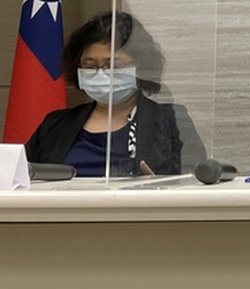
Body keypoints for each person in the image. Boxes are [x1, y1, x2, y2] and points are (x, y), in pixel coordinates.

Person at [25, 11, 206, 176]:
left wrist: (162, 188)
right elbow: (21, 177)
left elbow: (196, 181)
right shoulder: (56, 124)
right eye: (90, 66)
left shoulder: (170, 119)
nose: (101, 73)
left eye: (113, 65)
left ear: (141, 67)